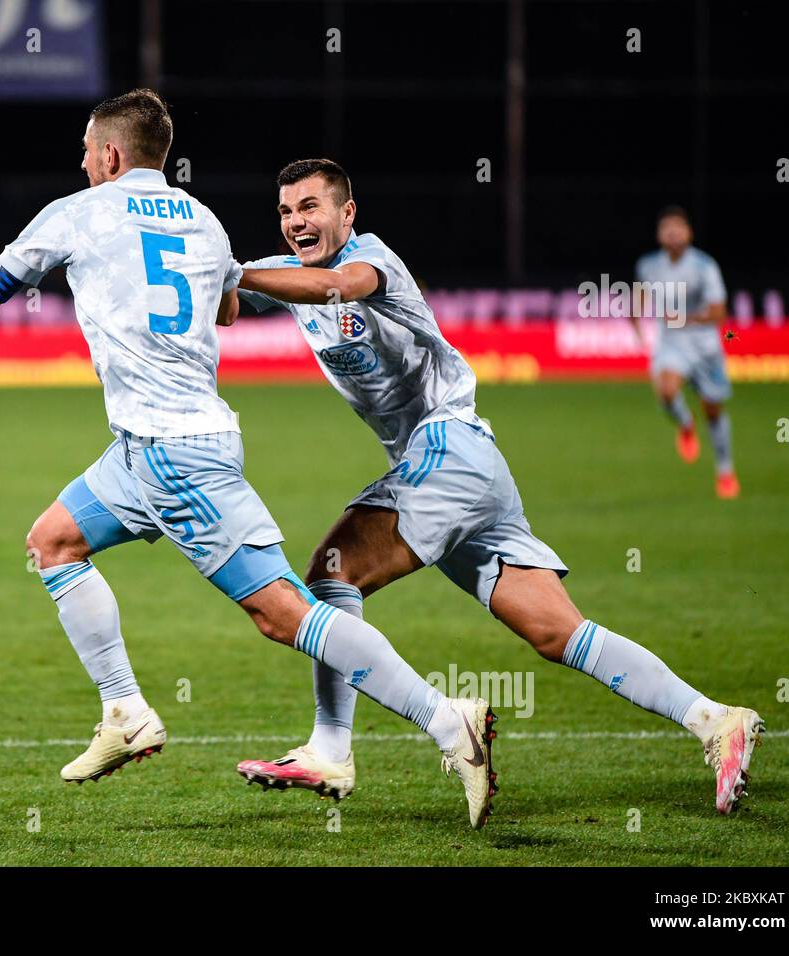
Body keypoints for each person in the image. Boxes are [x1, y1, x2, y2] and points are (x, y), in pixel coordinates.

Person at [0, 95, 497, 828]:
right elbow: (227, 312)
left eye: (87, 149)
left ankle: (443, 717)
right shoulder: (204, 221)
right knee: (53, 541)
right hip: (141, 448)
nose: (83, 161)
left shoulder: (72, 213)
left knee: (283, 615)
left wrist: (31, 273)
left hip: (177, 456)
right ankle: (126, 710)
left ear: (110, 155)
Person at [232, 159, 762, 815]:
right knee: (557, 633)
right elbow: (229, 302)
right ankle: (715, 720)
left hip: (446, 450)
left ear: (348, 213)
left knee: (333, 575)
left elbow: (337, 285)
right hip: (467, 467)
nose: (296, 222)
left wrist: (236, 274)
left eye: (310, 206)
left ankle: (333, 747)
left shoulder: (371, 262)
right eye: (285, 212)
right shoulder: (286, 272)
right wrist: (201, 277)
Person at [633, 206, 738, 498]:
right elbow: (640, 295)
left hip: (705, 348)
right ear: (659, 235)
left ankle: (725, 471)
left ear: (689, 233)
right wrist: (636, 322)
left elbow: (719, 313)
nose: (673, 234)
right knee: (666, 392)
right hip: (672, 345)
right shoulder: (649, 265)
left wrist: (684, 318)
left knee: (714, 412)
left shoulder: (705, 266)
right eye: (667, 229)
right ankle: (686, 423)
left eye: (678, 228)